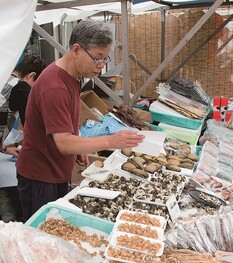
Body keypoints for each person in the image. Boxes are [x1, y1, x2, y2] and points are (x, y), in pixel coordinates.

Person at [16, 19, 144, 222]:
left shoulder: (73, 76)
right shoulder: (54, 87)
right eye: (97, 58)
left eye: (105, 59)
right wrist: (111, 140)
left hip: (56, 170)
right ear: (76, 49)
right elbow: (64, 143)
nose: (100, 67)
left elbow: (67, 125)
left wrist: (80, 147)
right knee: (41, 235)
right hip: (40, 176)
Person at [0, 55, 47, 156]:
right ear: (31, 76)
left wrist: (4, 148)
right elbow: (32, 129)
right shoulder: (21, 87)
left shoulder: (4, 78)